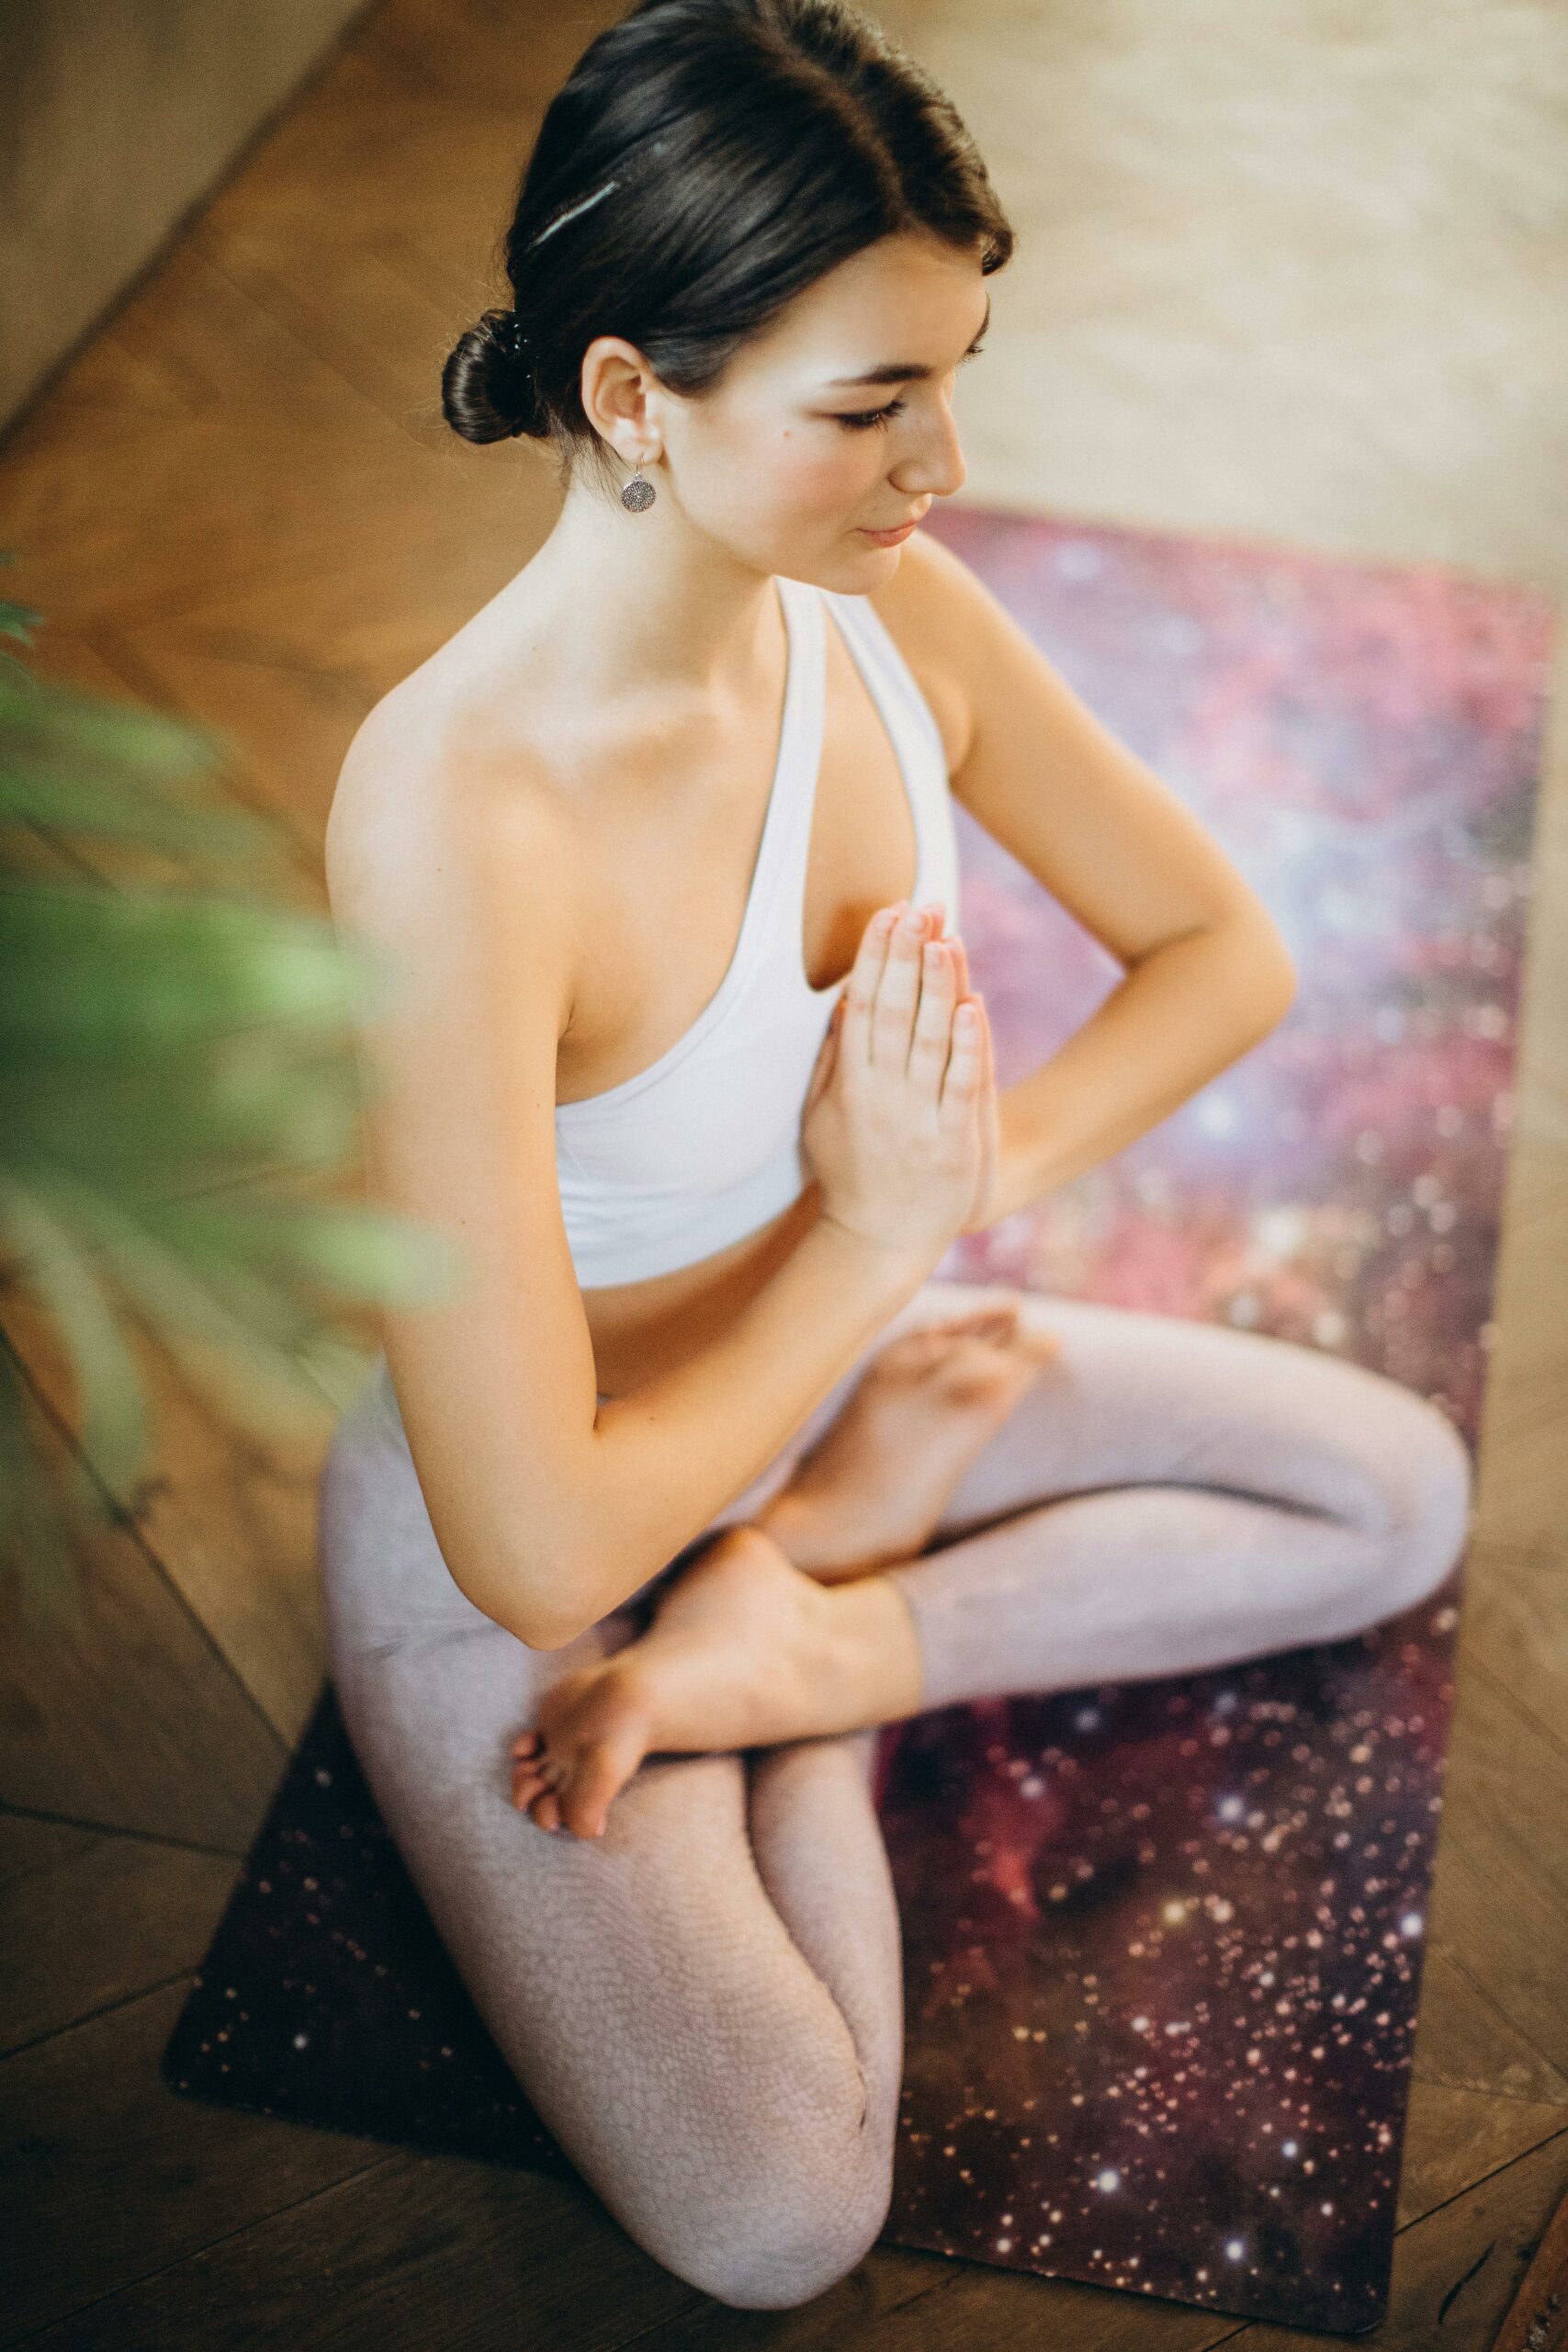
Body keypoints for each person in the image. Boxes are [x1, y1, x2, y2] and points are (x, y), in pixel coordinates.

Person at [315, 0, 1472, 2312]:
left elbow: (1215, 953)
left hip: (846, 1354)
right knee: (776, 2212)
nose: (941, 461)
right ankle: (819, 1653)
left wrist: (945, 1193)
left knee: (1394, 1495)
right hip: (527, 1540)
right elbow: (535, 1545)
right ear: (633, 396)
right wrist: (873, 1235)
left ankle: (804, 1635)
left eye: (952, 375)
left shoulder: (881, 613)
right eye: (869, 405)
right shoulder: (459, 818)